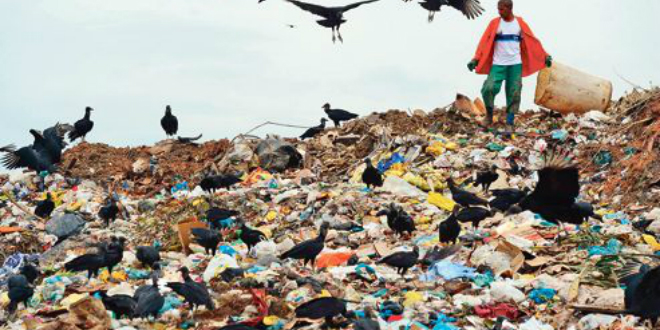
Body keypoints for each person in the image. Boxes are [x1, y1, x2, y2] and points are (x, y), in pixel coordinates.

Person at [468, 0, 552, 130]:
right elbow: (484, 42)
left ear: (509, 8)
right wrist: (475, 59)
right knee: (488, 88)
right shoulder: (495, 23)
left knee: (514, 92)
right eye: (498, 9)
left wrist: (545, 55)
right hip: (498, 64)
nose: (499, 12)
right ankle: (489, 116)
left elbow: (533, 41)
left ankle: (509, 122)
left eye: (501, 9)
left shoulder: (520, 24)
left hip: (515, 65)